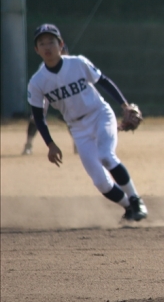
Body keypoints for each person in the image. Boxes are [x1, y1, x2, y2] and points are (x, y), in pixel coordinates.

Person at [27, 24, 147, 222]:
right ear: (36, 50)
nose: (47, 46)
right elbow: (39, 117)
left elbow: (103, 81)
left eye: (51, 42)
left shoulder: (78, 63)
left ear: (61, 44)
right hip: (77, 129)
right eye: (42, 43)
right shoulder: (37, 82)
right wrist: (50, 144)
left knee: (106, 156)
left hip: (100, 115)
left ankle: (136, 200)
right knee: (100, 181)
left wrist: (124, 105)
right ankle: (129, 208)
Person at [22, 43, 77, 156]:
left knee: (73, 116)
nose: (63, 56)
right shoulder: (45, 66)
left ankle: (78, 145)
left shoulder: (70, 65)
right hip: (46, 92)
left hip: (64, 92)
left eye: (65, 53)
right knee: (36, 117)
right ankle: (28, 144)